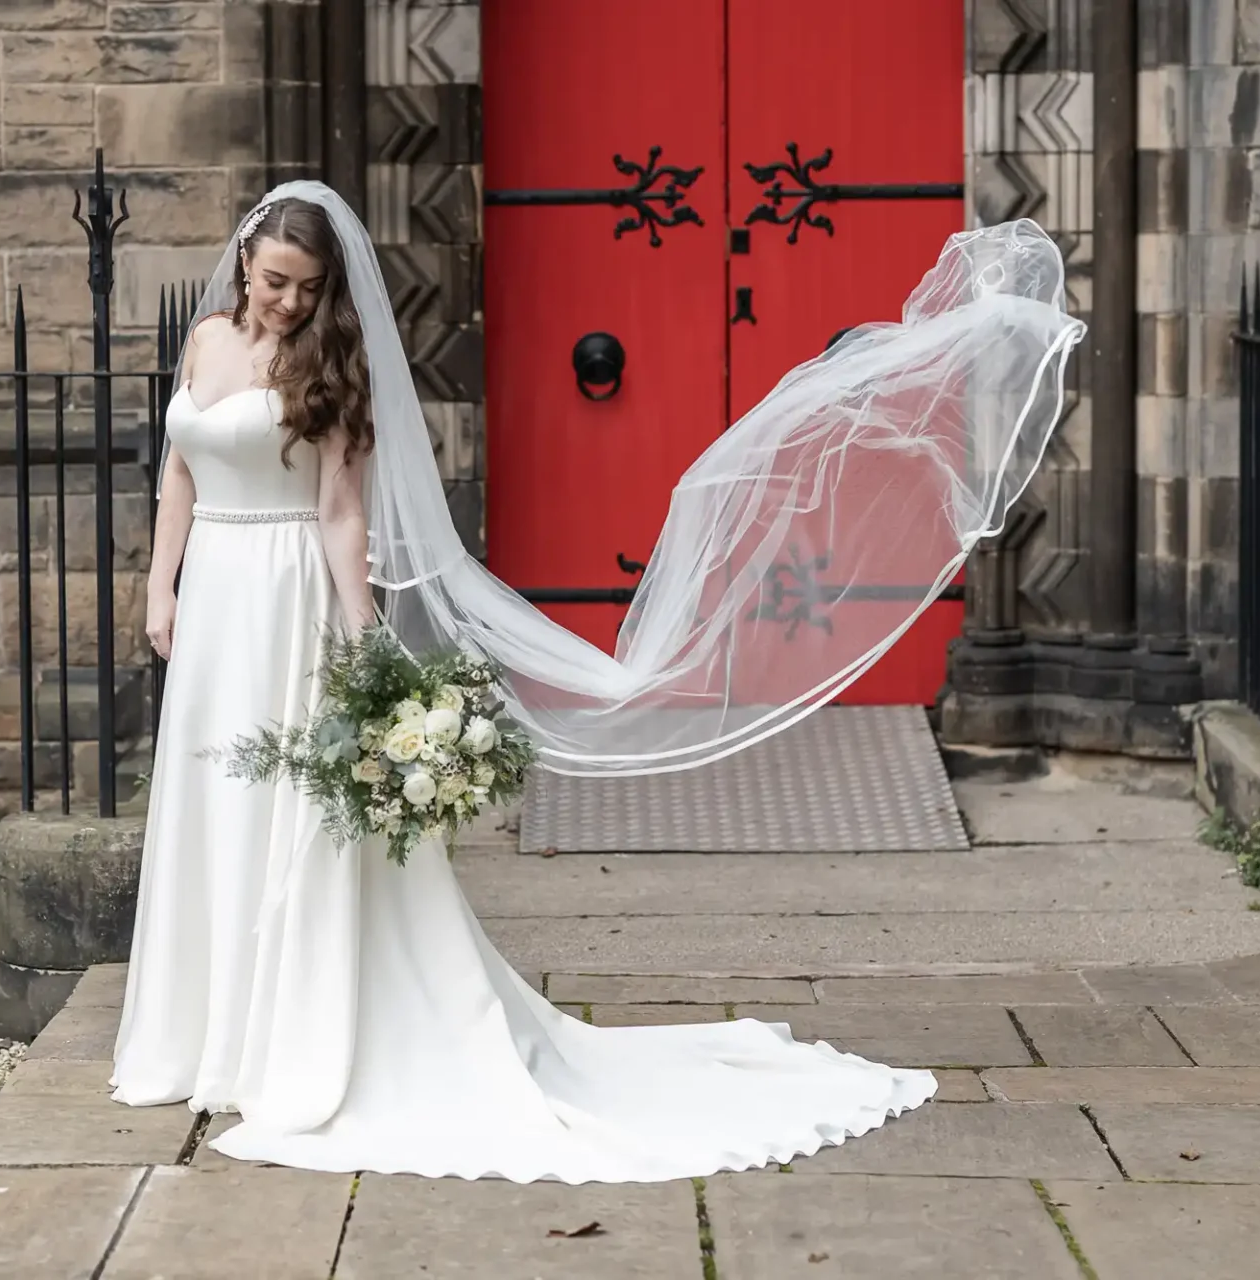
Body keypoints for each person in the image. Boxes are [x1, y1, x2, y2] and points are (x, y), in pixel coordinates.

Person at [109, 184, 1083, 1180]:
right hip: (217, 599)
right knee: (212, 804)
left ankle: (281, 1038)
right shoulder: (205, 343)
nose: (286, 303)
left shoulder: (327, 364)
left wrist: (366, 654)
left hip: (288, 605)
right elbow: (179, 473)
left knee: (285, 812)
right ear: (243, 265)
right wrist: (161, 585)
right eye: (275, 282)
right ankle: (203, 1034)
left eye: (306, 289)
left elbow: (343, 518)